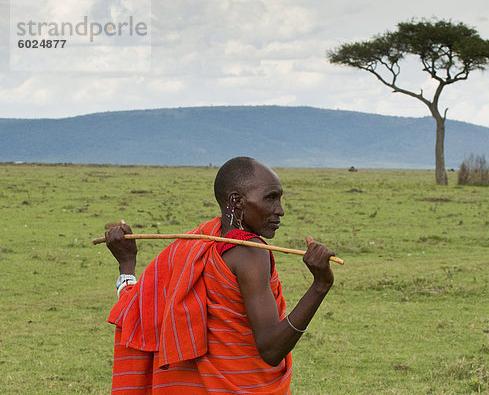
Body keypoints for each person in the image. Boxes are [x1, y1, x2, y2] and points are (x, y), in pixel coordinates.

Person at [105, 157, 335, 394]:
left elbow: (136, 309)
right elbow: (271, 350)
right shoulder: (249, 253)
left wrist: (126, 266)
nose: (280, 210)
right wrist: (320, 285)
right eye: (270, 198)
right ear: (236, 201)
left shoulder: (194, 247)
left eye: (280, 198)